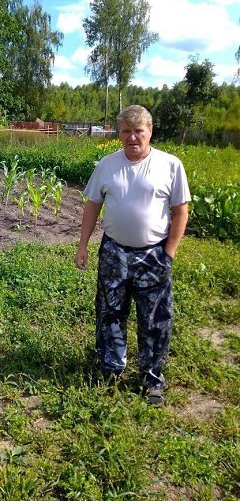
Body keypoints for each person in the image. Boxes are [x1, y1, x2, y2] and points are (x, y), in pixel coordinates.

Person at [75, 105, 190, 405]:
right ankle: (111, 368)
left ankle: (152, 379)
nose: (132, 137)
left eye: (139, 131)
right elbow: (92, 206)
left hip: (154, 256)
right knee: (110, 312)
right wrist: (83, 245)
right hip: (114, 253)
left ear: (150, 131)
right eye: (126, 131)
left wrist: (168, 254)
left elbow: (181, 212)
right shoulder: (107, 164)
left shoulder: (170, 165)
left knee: (154, 319)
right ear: (119, 133)